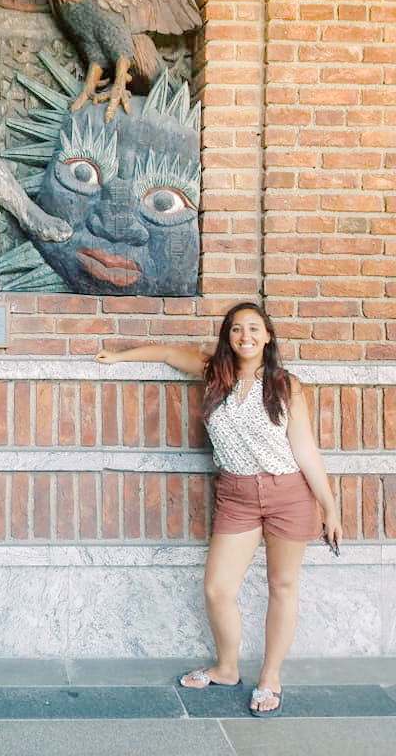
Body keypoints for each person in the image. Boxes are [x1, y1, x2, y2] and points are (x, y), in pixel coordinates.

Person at [95, 301, 342, 717]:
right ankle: (227, 668)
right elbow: (169, 355)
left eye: (254, 329)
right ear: (228, 337)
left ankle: (270, 677)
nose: (245, 336)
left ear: (267, 337)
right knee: (218, 589)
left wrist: (330, 508)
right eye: (236, 330)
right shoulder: (216, 375)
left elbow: (306, 450)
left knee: (282, 587)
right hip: (236, 495)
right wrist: (119, 357)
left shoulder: (286, 385)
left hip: (288, 494)